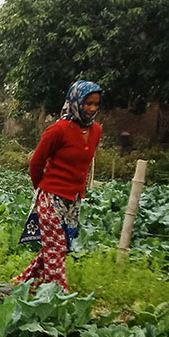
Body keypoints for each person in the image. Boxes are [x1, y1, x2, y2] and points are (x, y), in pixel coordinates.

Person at [15, 80, 103, 292]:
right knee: (56, 247)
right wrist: (42, 189)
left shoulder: (96, 131)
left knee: (57, 249)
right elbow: (36, 163)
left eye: (95, 104)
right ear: (76, 102)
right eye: (87, 103)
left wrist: (77, 192)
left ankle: (23, 284)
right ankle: (58, 295)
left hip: (73, 199)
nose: (91, 108)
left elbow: (83, 167)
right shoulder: (58, 130)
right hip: (51, 197)